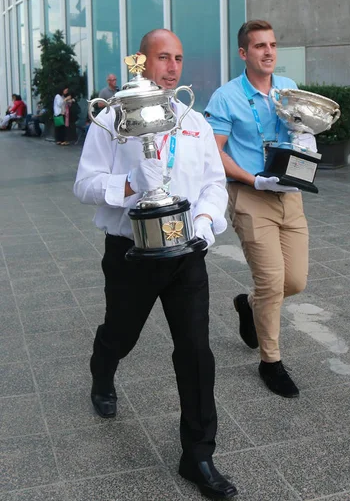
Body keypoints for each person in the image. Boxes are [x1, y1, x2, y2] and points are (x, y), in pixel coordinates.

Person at [73, 29, 238, 500]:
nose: (172, 66)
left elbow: (213, 183)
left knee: (195, 351)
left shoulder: (193, 119)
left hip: (187, 251)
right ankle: (103, 369)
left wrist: (207, 223)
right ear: (141, 63)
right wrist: (129, 184)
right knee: (121, 334)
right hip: (130, 251)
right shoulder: (110, 118)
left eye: (179, 58)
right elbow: (84, 185)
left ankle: (198, 455)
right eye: (162, 57)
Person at [205, 19, 317, 399]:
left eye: (272, 45)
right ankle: (271, 362)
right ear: (243, 53)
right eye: (259, 46)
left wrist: (306, 141)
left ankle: (248, 305)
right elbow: (214, 152)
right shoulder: (226, 97)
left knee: (295, 281)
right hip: (251, 194)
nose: (268, 52)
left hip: (290, 194)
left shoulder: (288, 89)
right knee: (271, 282)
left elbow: (301, 135)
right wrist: (254, 180)